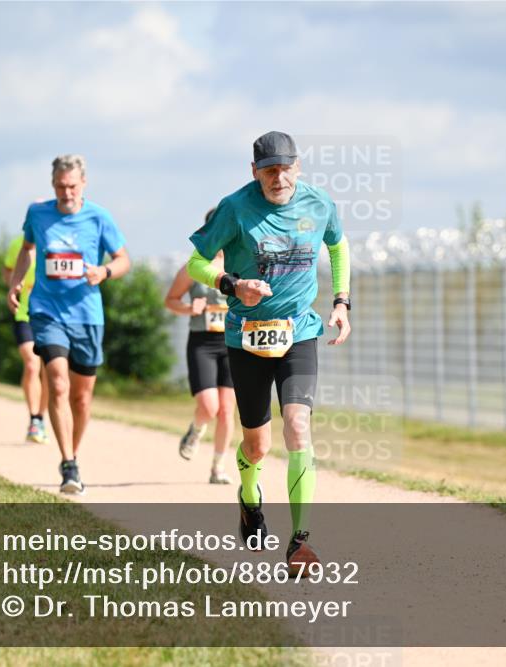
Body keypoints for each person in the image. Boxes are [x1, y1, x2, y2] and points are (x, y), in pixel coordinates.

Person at [187, 131, 351, 575]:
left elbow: (337, 245)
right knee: (257, 445)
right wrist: (232, 285)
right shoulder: (235, 207)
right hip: (247, 337)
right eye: (269, 170)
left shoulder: (318, 204)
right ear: (254, 171)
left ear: (298, 166)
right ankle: (248, 497)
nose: (278, 177)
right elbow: (197, 262)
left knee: (298, 427)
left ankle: (300, 543)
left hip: (298, 332)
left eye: (285, 168)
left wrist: (341, 301)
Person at [7, 154, 130, 494]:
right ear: (53, 185)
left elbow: (123, 260)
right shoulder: (38, 213)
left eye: (72, 186)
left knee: (82, 398)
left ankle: (74, 451)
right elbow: (27, 249)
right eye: (60, 186)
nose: (66, 193)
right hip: (47, 311)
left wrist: (104, 272)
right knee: (57, 383)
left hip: (87, 316)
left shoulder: (99, 217)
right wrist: (16, 282)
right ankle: (68, 463)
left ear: (83, 184)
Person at [164, 222, 235, 485]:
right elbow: (170, 300)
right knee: (209, 406)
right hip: (202, 342)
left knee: (227, 410)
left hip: (232, 342)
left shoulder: (240, 264)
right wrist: (189, 308)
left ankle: (218, 468)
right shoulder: (192, 267)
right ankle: (195, 430)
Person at [3, 233, 50, 444]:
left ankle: (41, 416)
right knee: (32, 365)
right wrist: (15, 284)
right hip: (24, 314)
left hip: (51, 317)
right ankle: (34, 419)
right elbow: (7, 269)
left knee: (49, 371)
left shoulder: (57, 242)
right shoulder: (19, 244)